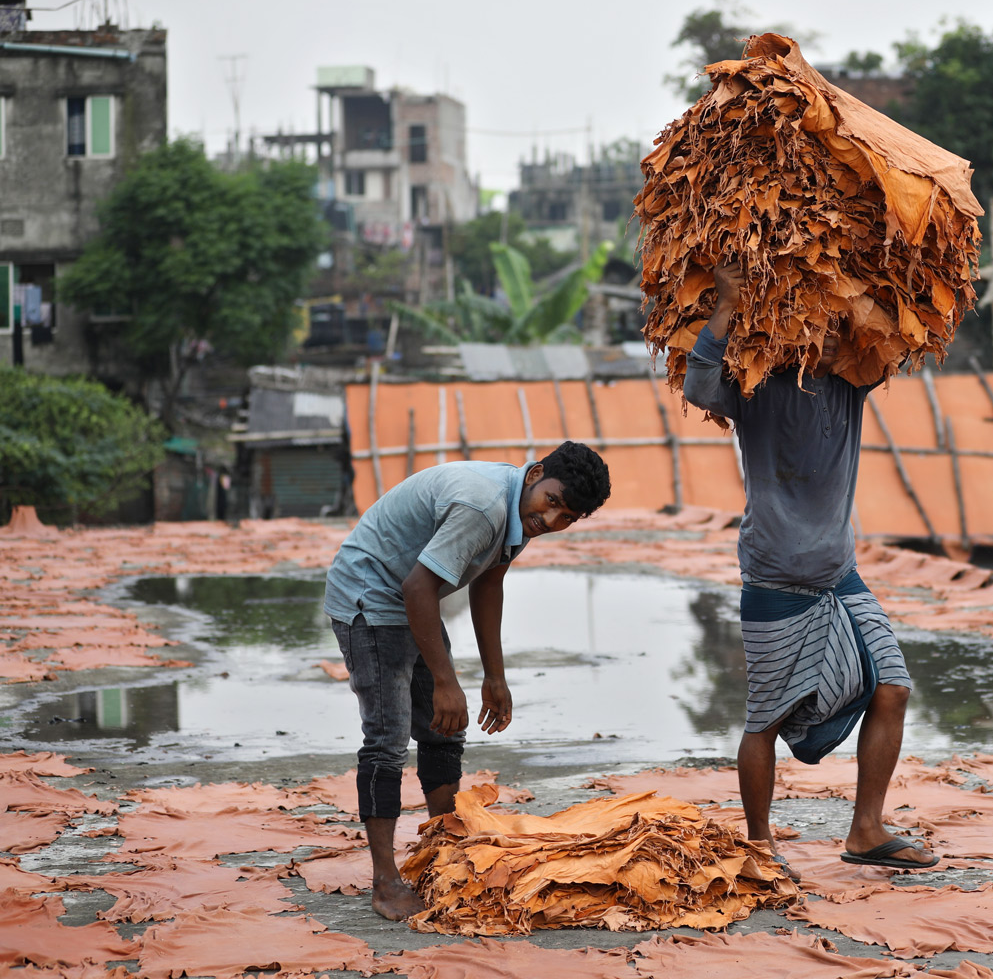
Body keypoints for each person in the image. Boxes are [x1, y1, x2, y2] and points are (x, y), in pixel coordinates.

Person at [683, 259, 939, 875]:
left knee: (894, 687)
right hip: (773, 575)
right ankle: (759, 843)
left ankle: (865, 829)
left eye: (834, 325)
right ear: (785, 329)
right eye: (812, 325)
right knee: (764, 717)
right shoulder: (758, 389)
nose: (824, 337)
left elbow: (907, 337)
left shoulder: (852, 384)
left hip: (839, 573)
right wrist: (724, 305)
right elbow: (697, 387)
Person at [322, 442, 611, 919]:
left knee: (444, 727)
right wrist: (446, 680)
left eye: (570, 518)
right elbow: (417, 587)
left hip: (412, 599)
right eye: (554, 502)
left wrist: (494, 677)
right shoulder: (484, 506)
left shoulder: (520, 510)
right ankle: (385, 884)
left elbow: (489, 580)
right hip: (370, 599)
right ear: (537, 473)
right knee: (387, 741)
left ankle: (444, 853)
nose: (554, 520)